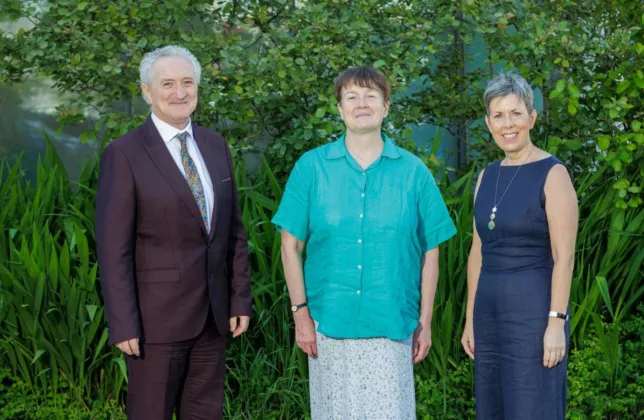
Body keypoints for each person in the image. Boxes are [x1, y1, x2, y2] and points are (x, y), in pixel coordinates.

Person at [272, 66, 456, 419]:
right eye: (351, 97)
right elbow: (290, 247)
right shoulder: (311, 168)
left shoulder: (413, 172)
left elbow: (430, 251)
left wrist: (426, 320)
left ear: (386, 106)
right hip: (329, 325)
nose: (361, 104)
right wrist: (301, 316)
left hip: (392, 326)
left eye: (371, 96)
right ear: (339, 109)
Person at [95, 45, 252, 420]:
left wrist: (238, 298)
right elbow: (113, 249)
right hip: (154, 322)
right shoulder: (125, 153)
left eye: (187, 82)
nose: (179, 92)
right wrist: (123, 322)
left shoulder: (216, 146)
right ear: (147, 92)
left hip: (214, 318)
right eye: (167, 83)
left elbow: (233, 232)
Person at [460, 72, 578, 419]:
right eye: (498, 115)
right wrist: (470, 320)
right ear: (488, 122)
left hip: (533, 315)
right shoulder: (486, 176)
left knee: (531, 406)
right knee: (493, 408)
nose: (507, 124)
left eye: (515, 113)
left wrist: (555, 323)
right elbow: (477, 252)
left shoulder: (553, 174)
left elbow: (564, 257)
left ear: (532, 117)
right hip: (489, 315)